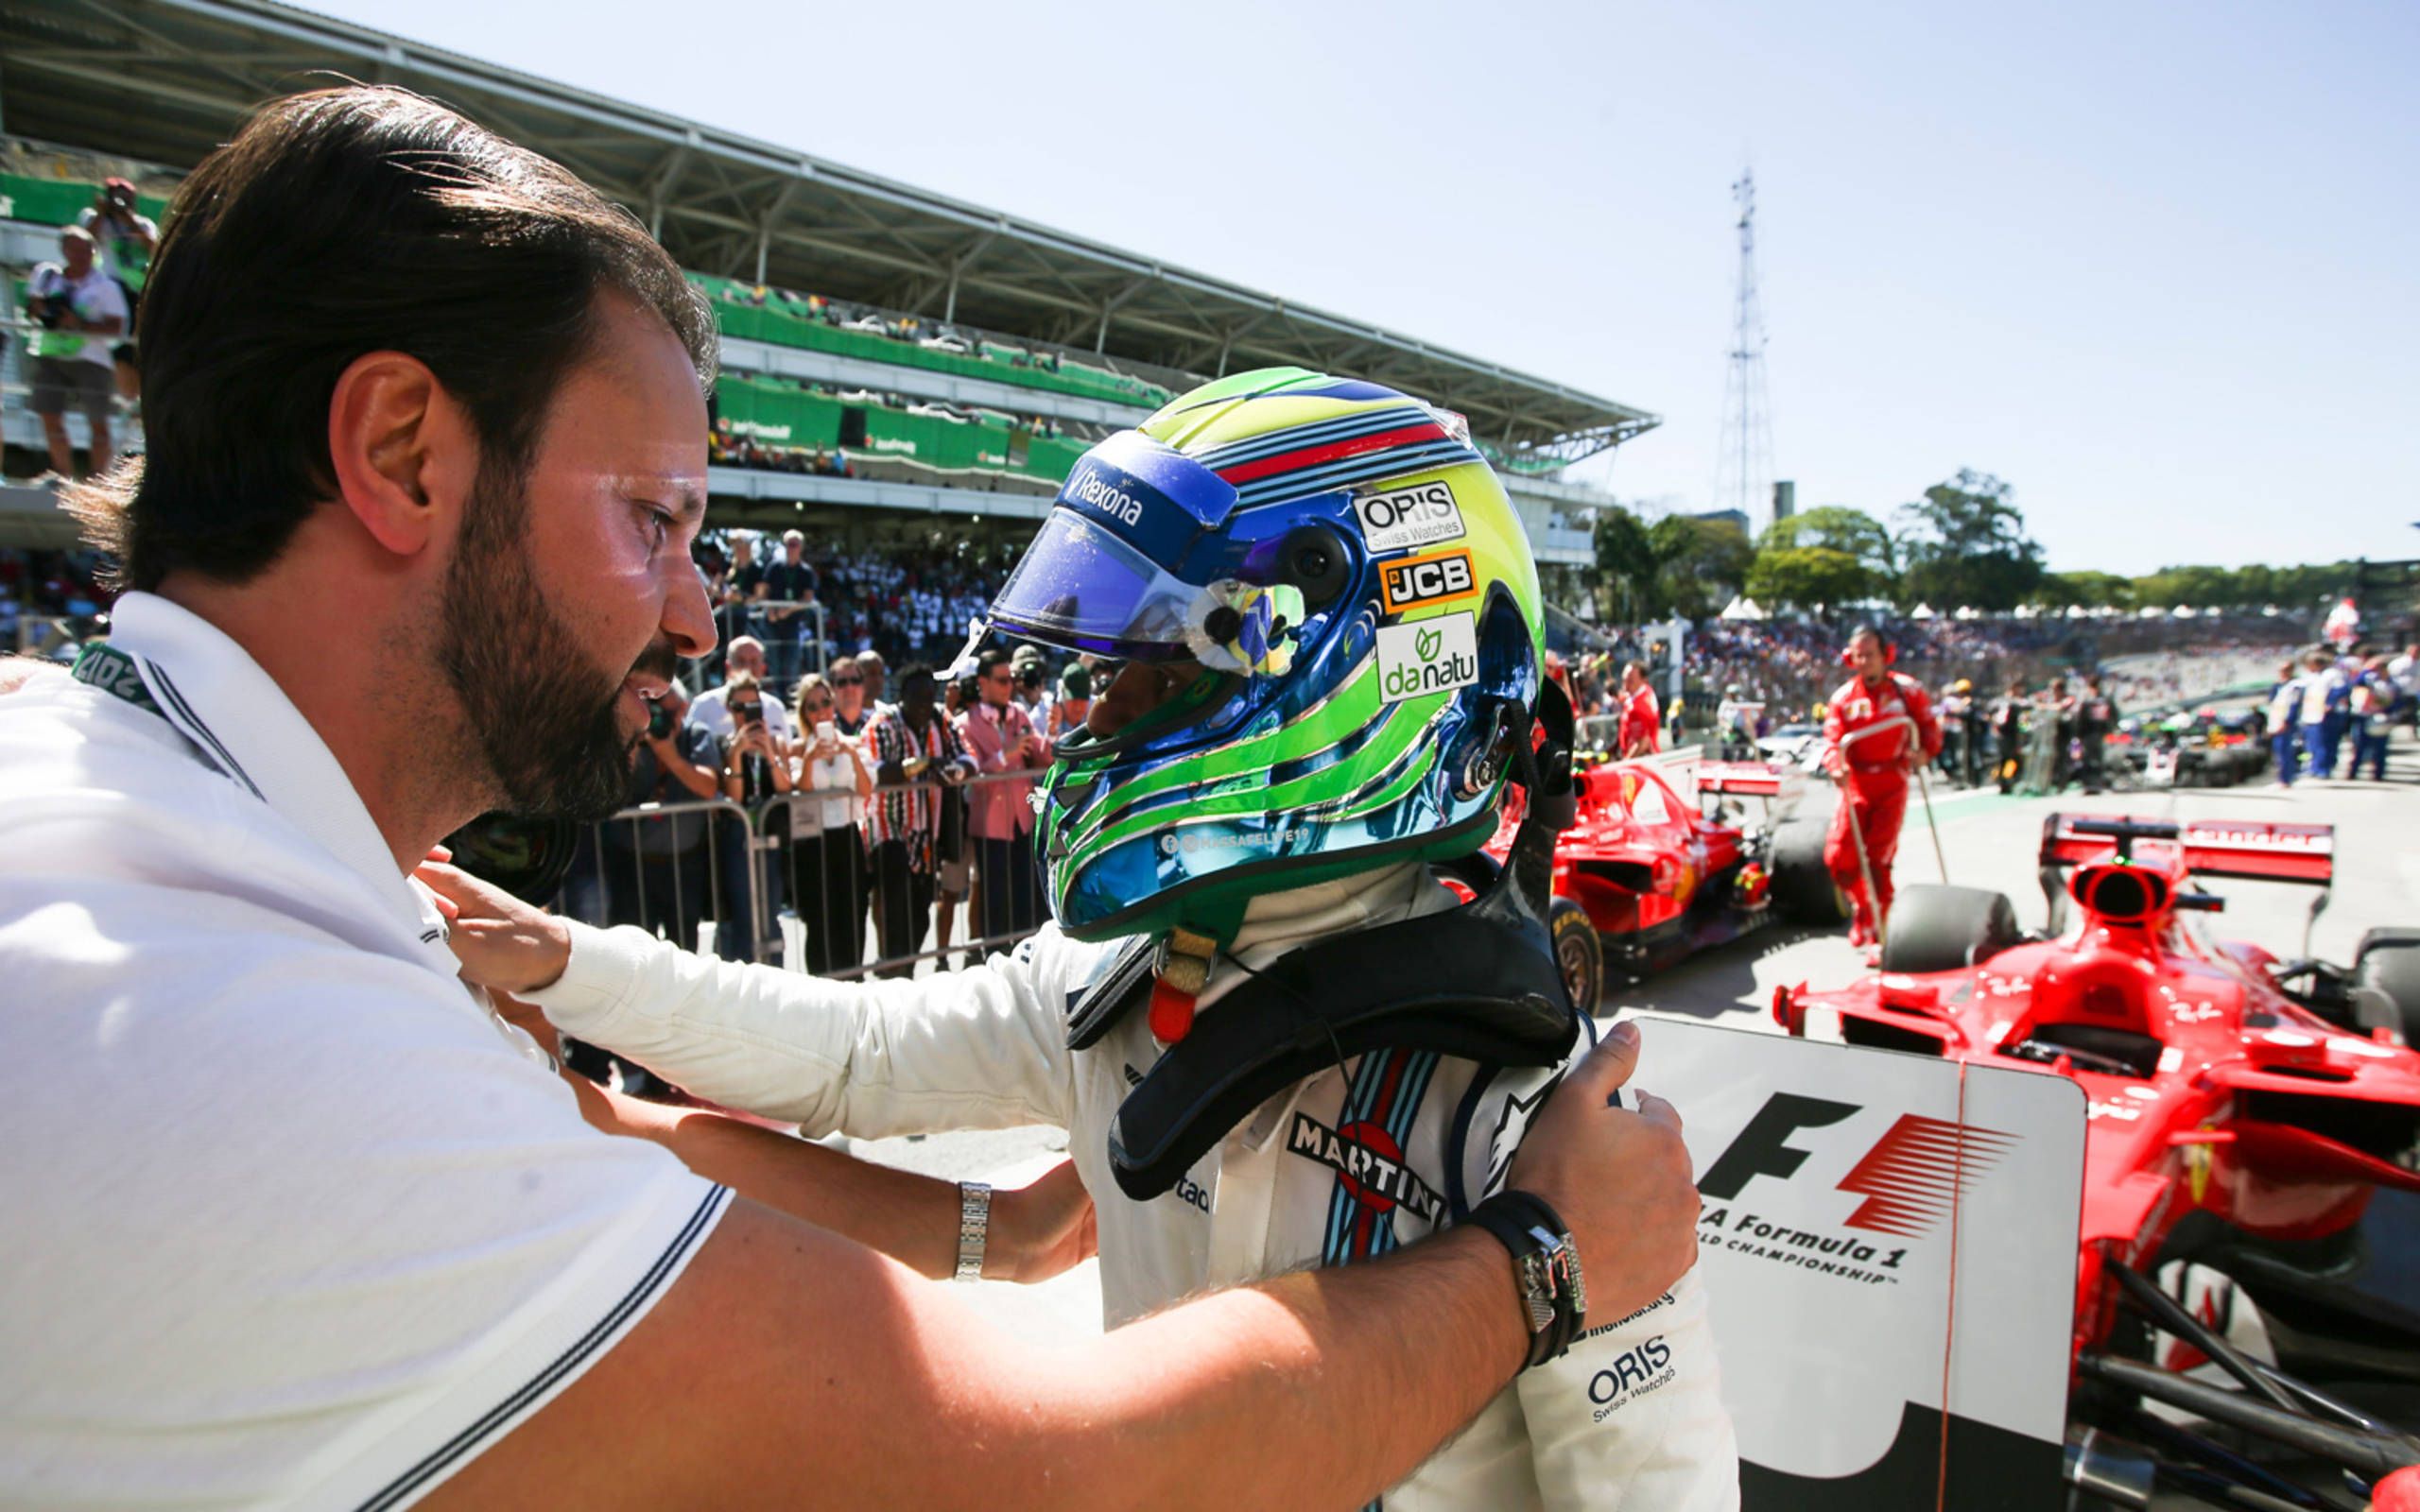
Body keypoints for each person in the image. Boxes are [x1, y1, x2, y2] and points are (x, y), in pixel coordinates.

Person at [0, 92, 1703, 1511]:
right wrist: (1542, 1258)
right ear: (399, 454)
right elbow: (876, 1111)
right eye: (654, 520)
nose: (694, 610)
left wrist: (558, 989)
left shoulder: (1516, 1093)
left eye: (1150, 669)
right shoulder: (233, 1015)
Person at [423, 369, 1740, 1509]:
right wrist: (559, 963)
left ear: (1333, 665)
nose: (1095, 714)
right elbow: (848, 1053)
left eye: (1150, 674)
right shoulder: (1117, 978)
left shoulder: (1541, 1118)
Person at [1818, 627, 1943, 952]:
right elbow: (1832, 740)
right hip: (1856, 783)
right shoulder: (1842, 698)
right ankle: (1863, 907)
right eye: (1858, 655)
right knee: (1838, 860)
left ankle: (1882, 930)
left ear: (1886, 655)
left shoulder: (1909, 691)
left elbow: (1929, 728)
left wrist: (1924, 753)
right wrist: (1836, 766)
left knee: (1877, 861)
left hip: (1893, 781)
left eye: (1870, 654)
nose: (1864, 662)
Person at [862, 663, 972, 975]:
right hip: (889, 830)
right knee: (895, 905)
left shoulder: (941, 718)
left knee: (921, 911)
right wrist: (924, 763)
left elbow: (968, 757)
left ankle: (903, 968)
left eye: (930, 696)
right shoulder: (883, 723)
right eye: (918, 697)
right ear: (902, 696)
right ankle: (893, 970)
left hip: (928, 833)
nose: (925, 704)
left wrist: (954, 770)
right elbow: (878, 771)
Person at [23, 226, 129, 481]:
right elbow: (32, 309)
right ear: (64, 250)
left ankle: (97, 480)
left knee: (98, 422)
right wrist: (46, 310)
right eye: (76, 249)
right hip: (50, 355)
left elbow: (117, 328)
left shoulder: (106, 286)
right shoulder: (47, 276)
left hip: (92, 360)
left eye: (88, 249)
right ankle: (62, 476)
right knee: (50, 416)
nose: (82, 255)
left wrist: (79, 324)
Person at [959, 645, 1050, 940]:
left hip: (1022, 820)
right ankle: (995, 958)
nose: (1008, 686)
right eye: (1001, 680)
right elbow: (974, 775)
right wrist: (1006, 754)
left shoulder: (1019, 713)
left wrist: (1052, 733)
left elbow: (1041, 756)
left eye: (1010, 679)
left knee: (1025, 893)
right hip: (990, 825)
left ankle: (1026, 958)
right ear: (982, 683)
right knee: (995, 897)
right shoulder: (965, 724)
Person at [787, 671, 873, 974]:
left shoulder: (851, 743)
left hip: (847, 837)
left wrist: (850, 752)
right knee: (819, 921)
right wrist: (810, 759)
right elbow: (803, 792)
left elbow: (866, 790)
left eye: (825, 702)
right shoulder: (798, 749)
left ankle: (853, 984)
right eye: (812, 706)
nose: (821, 710)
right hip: (814, 842)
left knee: (852, 915)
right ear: (804, 714)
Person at [711, 670, 793, 961]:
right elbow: (734, 796)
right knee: (743, 914)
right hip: (737, 840)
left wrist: (769, 753)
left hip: (770, 836)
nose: (746, 714)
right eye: (739, 707)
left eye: (753, 706)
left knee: (770, 913)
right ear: (729, 710)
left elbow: (785, 786)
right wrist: (736, 754)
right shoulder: (723, 746)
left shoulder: (777, 742)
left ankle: (775, 980)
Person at [78, 177, 157, 402]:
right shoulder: (95, 219)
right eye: (116, 196)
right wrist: (103, 213)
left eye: (126, 197)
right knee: (120, 345)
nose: (121, 202)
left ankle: (137, 390)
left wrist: (129, 222)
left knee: (140, 343)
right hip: (112, 288)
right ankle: (127, 392)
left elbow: (154, 249)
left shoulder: (142, 224)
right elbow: (85, 243)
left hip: (139, 289)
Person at [692, 634, 795, 747]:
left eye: (754, 661)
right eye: (740, 661)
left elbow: (787, 753)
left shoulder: (775, 707)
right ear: (727, 666)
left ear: (763, 668)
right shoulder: (704, 704)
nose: (747, 667)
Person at [2076, 673, 2118, 794]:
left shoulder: (2090, 701)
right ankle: (2094, 783)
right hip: (2099, 733)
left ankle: (2091, 784)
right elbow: (2114, 716)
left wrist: (2079, 734)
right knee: (2096, 759)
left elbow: (2081, 719)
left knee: (2092, 759)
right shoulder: (2103, 700)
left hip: (2093, 734)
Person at [2266, 659, 2305, 787]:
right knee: (2278, 752)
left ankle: (2285, 779)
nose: (2282, 673)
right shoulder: (2278, 685)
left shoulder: (2295, 686)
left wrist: (2287, 721)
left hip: (2286, 723)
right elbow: (2272, 702)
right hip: (2275, 722)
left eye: (2285, 670)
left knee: (2285, 751)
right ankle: (2281, 778)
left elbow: (2294, 705)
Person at [1617, 660, 1661, 758]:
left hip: (1641, 760)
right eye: (1624, 679)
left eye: (1630, 680)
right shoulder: (1646, 691)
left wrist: (1625, 763)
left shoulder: (1639, 708)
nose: (1625, 684)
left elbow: (1643, 742)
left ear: (1643, 680)